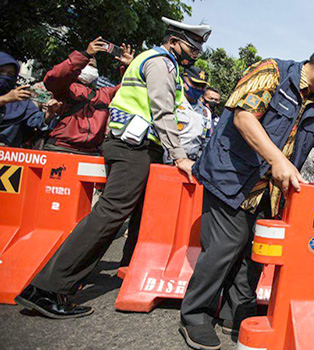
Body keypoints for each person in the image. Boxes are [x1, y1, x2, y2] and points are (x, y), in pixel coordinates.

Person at [180, 42, 314, 350]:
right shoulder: (272, 73)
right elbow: (243, 117)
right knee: (223, 249)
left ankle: (236, 313)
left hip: (270, 191)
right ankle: (195, 315)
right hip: (231, 178)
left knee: (255, 255)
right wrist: (277, 159)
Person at [15, 17, 211, 319]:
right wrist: (180, 155)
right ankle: (46, 288)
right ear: (174, 42)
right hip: (133, 148)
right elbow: (161, 110)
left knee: (127, 213)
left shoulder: (151, 61)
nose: (194, 56)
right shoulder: (162, 63)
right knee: (110, 214)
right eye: (192, 49)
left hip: (131, 145)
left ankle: (98, 275)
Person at [42, 37, 134, 155]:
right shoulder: (66, 88)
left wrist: (129, 67)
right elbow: (54, 77)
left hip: (91, 153)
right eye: (86, 63)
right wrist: (85, 55)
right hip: (61, 148)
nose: (89, 65)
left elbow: (129, 88)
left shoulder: (104, 94)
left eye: (92, 65)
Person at [0, 52, 62, 147]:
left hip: (8, 155)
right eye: (1, 72)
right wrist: (4, 99)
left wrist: (50, 113)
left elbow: (36, 122)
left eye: (10, 74)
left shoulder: (20, 100)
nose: (5, 77)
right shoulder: (12, 97)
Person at [166, 65, 213, 163]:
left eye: (202, 86)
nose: (198, 88)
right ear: (184, 81)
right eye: (195, 84)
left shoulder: (205, 112)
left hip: (193, 160)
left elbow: (206, 140)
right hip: (171, 158)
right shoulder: (173, 103)